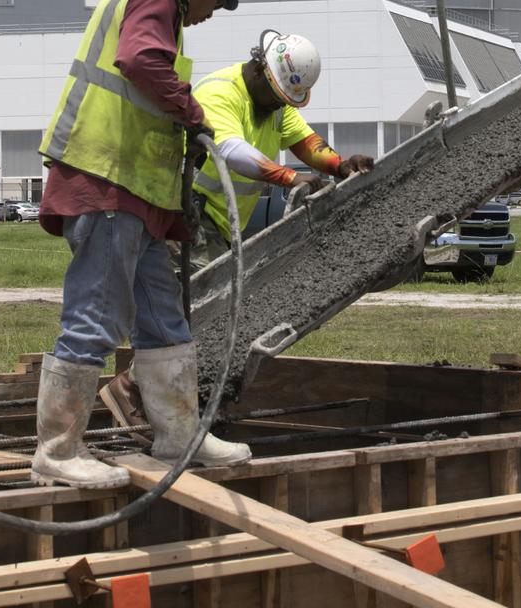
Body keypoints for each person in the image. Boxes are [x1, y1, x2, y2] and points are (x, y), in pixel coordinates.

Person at [31, 0, 255, 490]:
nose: (211, 14)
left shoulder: (153, 0)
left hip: (138, 196)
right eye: (219, 0)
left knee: (163, 319)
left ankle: (179, 435)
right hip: (107, 180)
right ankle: (57, 451)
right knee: (96, 316)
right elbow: (140, 61)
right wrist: (192, 111)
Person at [100, 29, 374, 433]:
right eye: (280, 96)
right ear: (262, 70)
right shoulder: (221, 92)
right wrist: (288, 178)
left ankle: (167, 402)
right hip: (185, 216)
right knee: (195, 316)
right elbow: (230, 150)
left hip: (217, 226)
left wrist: (339, 164)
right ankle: (135, 391)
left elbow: (305, 141)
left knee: (204, 317)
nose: (284, 106)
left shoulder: (273, 103)